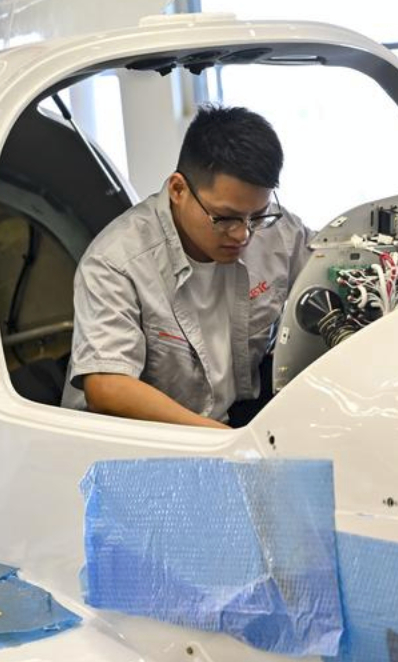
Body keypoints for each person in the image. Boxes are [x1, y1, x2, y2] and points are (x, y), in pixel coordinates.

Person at [61, 105, 311, 428]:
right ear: (178, 190)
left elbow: (332, 267)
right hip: (140, 442)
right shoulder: (116, 262)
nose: (244, 234)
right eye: (225, 218)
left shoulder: (276, 232)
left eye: (257, 215)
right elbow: (107, 388)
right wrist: (225, 442)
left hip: (232, 418)